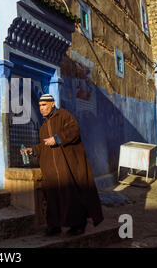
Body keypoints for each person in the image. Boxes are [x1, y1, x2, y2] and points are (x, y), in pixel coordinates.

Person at [23, 94, 104, 236]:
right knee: (52, 198)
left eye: (44, 105)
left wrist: (57, 139)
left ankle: (78, 225)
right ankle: (54, 226)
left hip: (68, 165)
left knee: (72, 196)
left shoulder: (64, 116)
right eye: (40, 106)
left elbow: (74, 131)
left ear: (52, 104)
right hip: (51, 171)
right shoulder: (43, 127)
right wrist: (33, 150)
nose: (41, 109)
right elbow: (44, 146)